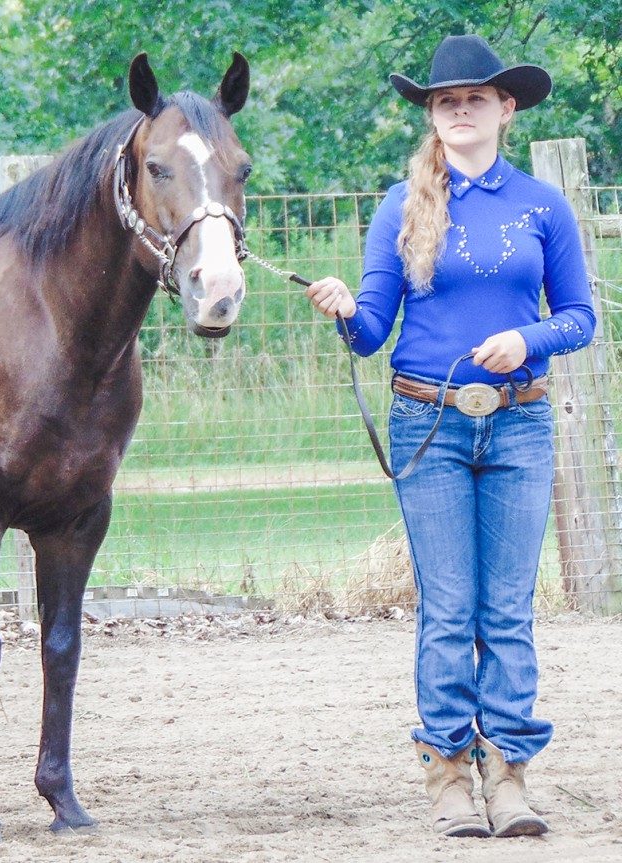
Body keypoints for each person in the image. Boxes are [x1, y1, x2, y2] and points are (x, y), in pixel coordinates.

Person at [305, 34, 595, 839]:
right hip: (426, 420)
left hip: (520, 423)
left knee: (506, 606)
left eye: (476, 97)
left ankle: (509, 774)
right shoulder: (403, 209)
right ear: (433, 115)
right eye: (445, 101)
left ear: (507, 107)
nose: (459, 109)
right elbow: (371, 333)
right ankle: (448, 777)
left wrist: (527, 341)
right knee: (448, 605)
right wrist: (340, 308)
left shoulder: (543, 206)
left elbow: (580, 317)